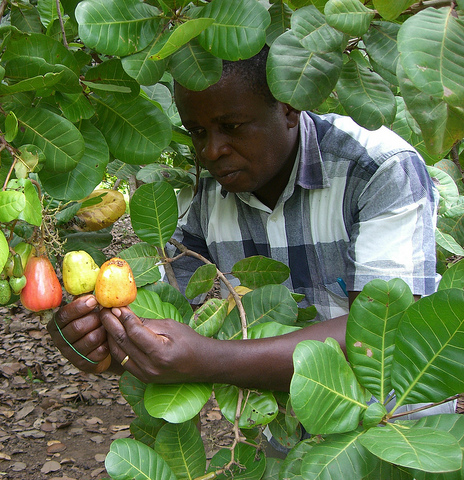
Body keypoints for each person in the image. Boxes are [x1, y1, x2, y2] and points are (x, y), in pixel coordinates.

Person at [47, 46, 441, 394]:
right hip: (274, 441)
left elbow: (383, 334)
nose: (212, 150)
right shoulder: (204, 197)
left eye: (231, 127)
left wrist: (215, 359)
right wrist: (103, 344)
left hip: (395, 434)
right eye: (197, 132)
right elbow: (174, 333)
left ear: (287, 108)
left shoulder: (378, 169)